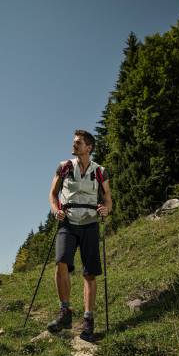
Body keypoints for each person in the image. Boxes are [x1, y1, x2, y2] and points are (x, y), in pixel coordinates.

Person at [47, 129, 112, 342]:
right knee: (60, 263)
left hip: (90, 223)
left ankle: (88, 320)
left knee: (89, 274)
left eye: (78, 143)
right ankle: (65, 312)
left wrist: (106, 209)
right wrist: (56, 209)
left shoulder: (100, 171)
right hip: (68, 221)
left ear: (89, 147)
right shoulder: (64, 167)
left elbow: (108, 199)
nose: (74, 145)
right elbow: (53, 193)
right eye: (74, 142)